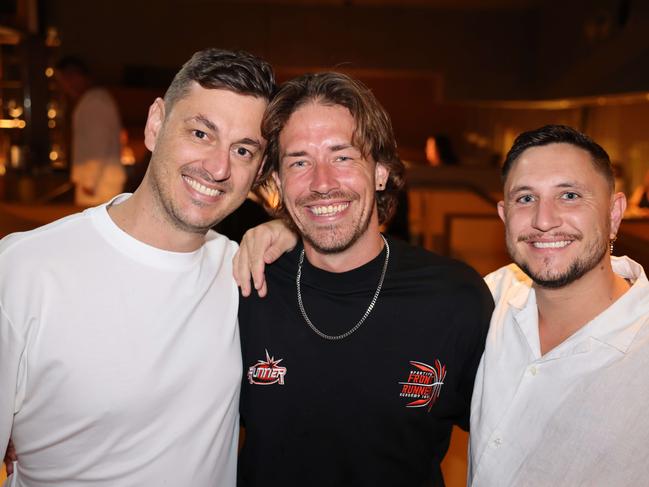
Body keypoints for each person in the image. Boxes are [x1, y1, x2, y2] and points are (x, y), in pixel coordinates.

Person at [0, 48, 275, 486]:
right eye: (201, 133)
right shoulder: (25, 270)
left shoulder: (243, 271)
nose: (219, 167)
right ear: (155, 124)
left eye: (242, 150)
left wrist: (292, 233)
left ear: (258, 170)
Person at [235, 72, 493, 487]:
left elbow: (509, 439)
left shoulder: (455, 298)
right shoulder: (247, 287)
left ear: (380, 171)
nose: (322, 183)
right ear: (279, 184)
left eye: (342, 156)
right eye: (300, 161)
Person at [469, 125, 649, 486]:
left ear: (614, 214)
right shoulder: (484, 301)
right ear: (504, 216)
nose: (544, 220)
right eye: (525, 198)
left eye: (569, 195)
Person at [56, 56, 127, 206]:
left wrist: (89, 182)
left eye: (63, 80)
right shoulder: (94, 99)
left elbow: (98, 143)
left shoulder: (95, 102)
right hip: (99, 181)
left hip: (98, 185)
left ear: (74, 77)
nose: (63, 86)